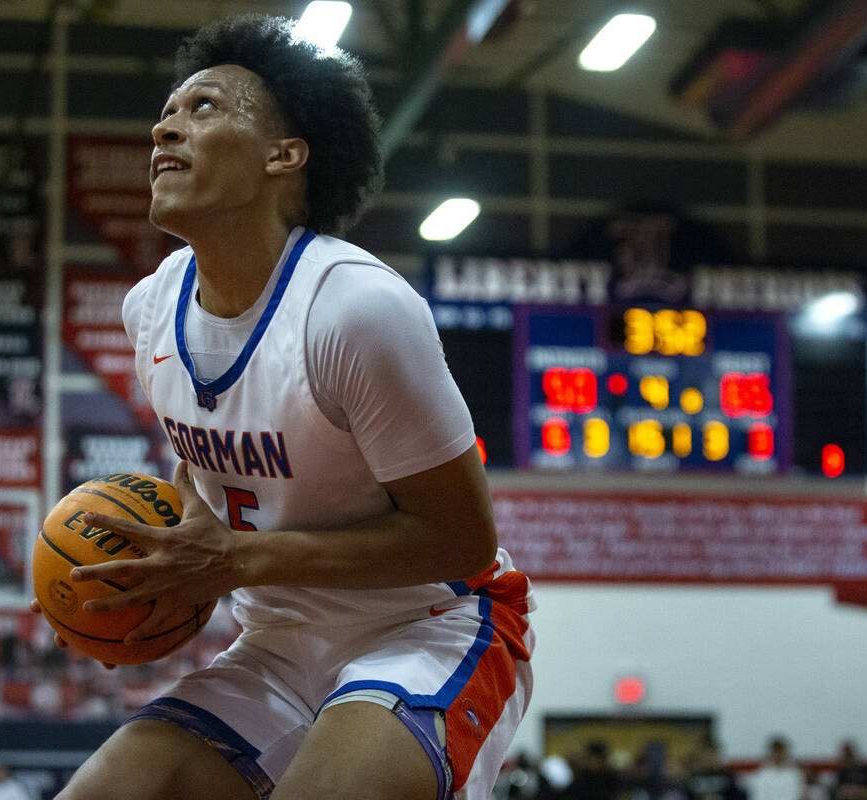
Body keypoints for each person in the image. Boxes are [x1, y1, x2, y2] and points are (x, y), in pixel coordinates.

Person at [34, 12, 535, 800]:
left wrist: (232, 561)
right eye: (166, 111)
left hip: (431, 626)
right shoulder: (150, 309)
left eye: (204, 108)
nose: (167, 125)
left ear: (284, 154)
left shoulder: (354, 309)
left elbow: (463, 538)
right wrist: (158, 576)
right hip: (275, 641)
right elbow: (203, 459)